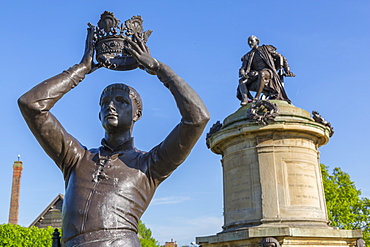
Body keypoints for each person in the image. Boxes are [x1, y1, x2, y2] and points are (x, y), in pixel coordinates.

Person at [18, 25, 209, 247]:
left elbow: (197, 118)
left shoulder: (149, 165)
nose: (111, 106)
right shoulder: (76, 158)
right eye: (105, 103)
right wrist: (80, 70)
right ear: (98, 114)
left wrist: (158, 68)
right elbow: (31, 105)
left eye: (121, 101)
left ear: (137, 114)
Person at [237, 35, 295, 105]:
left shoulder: (266, 49)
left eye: (251, 41)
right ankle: (245, 99)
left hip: (268, 71)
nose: (250, 43)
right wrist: (242, 73)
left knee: (262, 73)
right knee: (241, 81)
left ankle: (256, 97)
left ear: (257, 41)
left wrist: (287, 70)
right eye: (248, 42)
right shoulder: (248, 56)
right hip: (255, 74)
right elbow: (243, 68)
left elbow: (281, 57)